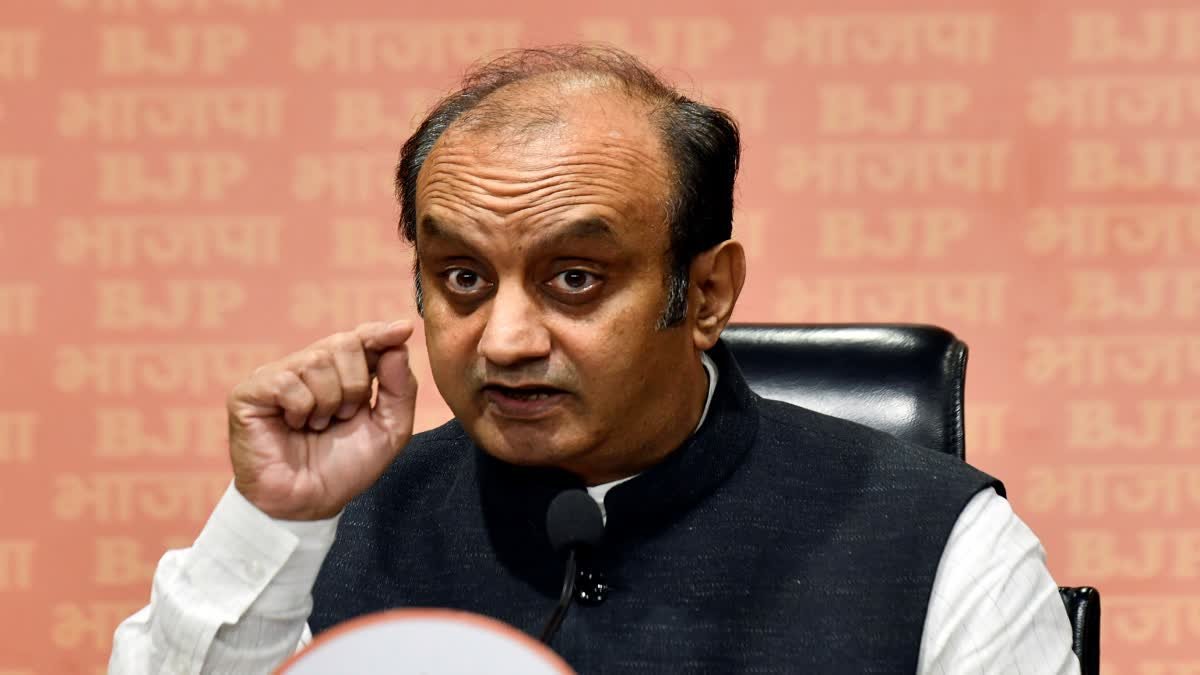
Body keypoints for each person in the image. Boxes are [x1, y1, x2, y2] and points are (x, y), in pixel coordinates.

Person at [110, 45, 1078, 674]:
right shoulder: (338, 524)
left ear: (707, 294)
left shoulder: (938, 542)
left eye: (575, 279)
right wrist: (273, 520)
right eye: (461, 278)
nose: (505, 340)